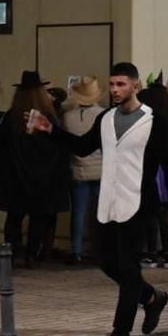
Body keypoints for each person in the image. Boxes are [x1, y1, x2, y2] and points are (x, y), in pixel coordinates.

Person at [31, 62, 168, 336]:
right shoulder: (106, 118)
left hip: (141, 203)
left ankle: (120, 331)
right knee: (106, 261)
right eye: (113, 84)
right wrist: (49, 130)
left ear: (135, 86)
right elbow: (81, 147)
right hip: (108, 201)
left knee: (128, 266)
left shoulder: (155, 121)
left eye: (121, 84)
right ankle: (153, 297)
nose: (116, 90)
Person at [0, 71, 70, 268]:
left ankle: (9, 255)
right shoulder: (48, 118)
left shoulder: (11, 118)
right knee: (38, 218)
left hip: (15, 177)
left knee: (13, 218)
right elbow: (57, 147)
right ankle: (31, 255)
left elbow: (1, 148)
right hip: (41, 177)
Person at [137, 79, 168, 269]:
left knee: (151, 213)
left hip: (151, 171)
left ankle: (150, 254)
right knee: (166, 213)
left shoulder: (146, 123)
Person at [64, 78, 106, 265]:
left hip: (77, 170)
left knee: (78, 213)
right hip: (100, 171)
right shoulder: (103, 115)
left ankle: (76, 250)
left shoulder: (67, 116)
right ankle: (101, 248)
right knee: (99, 213)